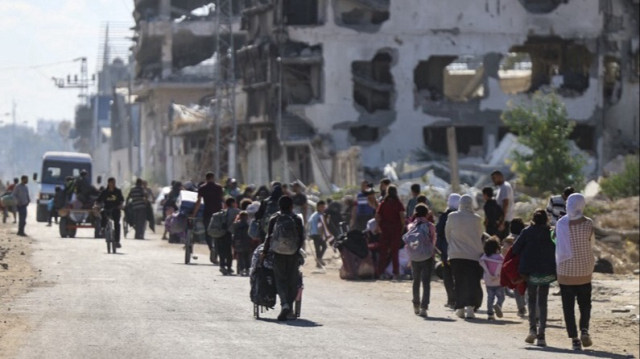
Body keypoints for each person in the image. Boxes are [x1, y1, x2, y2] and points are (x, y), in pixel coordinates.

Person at [556, 193, 595, 351]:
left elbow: (558, 244)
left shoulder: (561, 223)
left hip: (565, 271)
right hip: (584, 269)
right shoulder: (588, 223)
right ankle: (584, 330)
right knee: (585, 304)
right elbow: (592, 244)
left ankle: (574, 339)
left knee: (568, 306)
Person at [512, 209, 556, 347]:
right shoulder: (551, 232)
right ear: (546, 220)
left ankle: (532, 330)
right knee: (543, 303)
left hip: (530, 273)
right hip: (546, 272)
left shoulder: (526, 232)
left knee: (531, 301)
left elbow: (515, 249)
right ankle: (541, 336)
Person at [262, 196, 305, 321]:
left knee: (280, 280)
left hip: (277, 253)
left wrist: (264, 253)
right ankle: (290, 308)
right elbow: (301, 237)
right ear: (292, 206)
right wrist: (296, 251)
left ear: (279, 206)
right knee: (292, 280)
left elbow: (268, 237)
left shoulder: (274, 218)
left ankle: (284, 304)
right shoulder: (296, 218)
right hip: (293, 254)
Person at [445, 194, 484, 319]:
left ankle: (460, 308)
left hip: (456, 254)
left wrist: (453, 245)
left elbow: (447, 233)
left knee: (459, 281)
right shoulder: (477, 218)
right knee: (472, 281)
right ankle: (470, 308)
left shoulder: (452, 216)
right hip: (473, 254)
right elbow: (480, 234)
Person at [404, 204, 436, 317]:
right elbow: (433, 242)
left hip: (414, 257)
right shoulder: (430, 226)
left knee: (416, 281)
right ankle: (424, 307)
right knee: (426, 283)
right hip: (427, 257)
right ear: (427, 213)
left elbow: (408, 243)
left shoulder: (410, 226)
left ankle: (416, 305)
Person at [192, 172, 224, 264]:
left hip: (207, 213)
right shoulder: (219, 187)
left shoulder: (202, 188)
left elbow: (198, 202)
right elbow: (222, 200)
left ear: (206, 178)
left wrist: (194, 214)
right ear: (213, 178)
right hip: (218, 213)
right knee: (218, 233)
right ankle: (216, 252)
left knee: (208, 233)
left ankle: (212, 248)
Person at [375, 185, 405, 280]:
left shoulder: (383, 203)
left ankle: (380, 273)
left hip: (385, 230)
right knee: (394, 252)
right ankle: (395, 273)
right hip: (396, 230)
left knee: (383, 252)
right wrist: (402, 228)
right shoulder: (398, 203)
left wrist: (378, 227)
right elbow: (402, 217)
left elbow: (377, 216)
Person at [436, 193, 460, 308]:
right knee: (458, 276)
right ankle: (459, 300)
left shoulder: (445, 216)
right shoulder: (462, 216)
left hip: (446, 251)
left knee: (448, 275)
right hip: (460, 251)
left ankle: (451, 300)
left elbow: (439, 231)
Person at [502, 218, 527, 317]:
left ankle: (521, 308)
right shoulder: (523, 238)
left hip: (511, 269)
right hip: (522, 266)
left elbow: (504, 255)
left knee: (516, 288)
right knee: (525, 287)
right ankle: (527, 304)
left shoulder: (507, 240)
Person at [479, 237, 505, 320]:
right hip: (498, 281)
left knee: (490, 297)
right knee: (501, 297)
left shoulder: (484, 258)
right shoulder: (500, 257)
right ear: (497, 247)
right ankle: (498, 305)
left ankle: (490, 314)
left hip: (488, 281)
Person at [95, 178, 125, 248]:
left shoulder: (118, 191)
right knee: (102, 213)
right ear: (108, 183)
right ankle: (102, 229)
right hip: (107, 209)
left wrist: (121, 205)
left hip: (116, 209)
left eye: (114, 182)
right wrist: (96, 205)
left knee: (117, 224)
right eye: (112, 183)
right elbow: (98, 200)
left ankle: (117, 241)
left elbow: (122, 200)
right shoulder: (105, 192)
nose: (113, 184)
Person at [491, 170, 515, 239]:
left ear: (500, 177)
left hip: (506, 221)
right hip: (503, 220)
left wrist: (502, 221)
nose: (493, 180)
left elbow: (505, 203)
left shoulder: (505, 187)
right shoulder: (501, 187)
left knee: (503, 241)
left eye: (494, 178)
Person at [308, 200, 328, 268]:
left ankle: (318, 262)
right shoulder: (319, 215)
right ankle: (319, 260)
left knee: (318, 248)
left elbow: (309, 223)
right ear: (318, 207)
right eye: (321, 207)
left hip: (313, 233)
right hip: (317, 233)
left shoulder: (314, 214)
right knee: (324, 246)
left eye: (323, 207)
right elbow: (320, 226)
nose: (323, 208)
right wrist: (322, 235)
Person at [232, 211, 252, 276]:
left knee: (240, 257)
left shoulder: (236, 224)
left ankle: (241, 269)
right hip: (246, 242)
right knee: (247, 257)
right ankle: (247, 269)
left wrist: (233, 242)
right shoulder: (248, 224)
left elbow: (233, 234)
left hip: (238, 242)